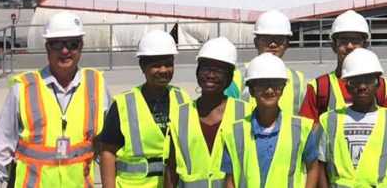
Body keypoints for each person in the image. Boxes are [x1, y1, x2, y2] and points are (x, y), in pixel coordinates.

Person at [0, 11, 110, 188]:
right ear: (47, 47)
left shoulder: (96, 85)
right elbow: (0, 150)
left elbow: (108, 147)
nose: (65, 51)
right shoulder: (24, 88)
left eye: (72, 43)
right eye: (57, 44)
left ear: (81, 46)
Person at [98, 30, 190, 188]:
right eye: (155, 65)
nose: (163, 70)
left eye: (168, 64)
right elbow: (108, 151)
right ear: (142, 66)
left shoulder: (182, 98)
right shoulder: (123, 104)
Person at [220, 53, 322, 187]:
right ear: (251, 90)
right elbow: (230, 178)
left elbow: (313, 167)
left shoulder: (301, 128)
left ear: (283, 88)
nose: (269, 90)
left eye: (275, 84)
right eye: (261, 84)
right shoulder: (235, 132)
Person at [167, 37, 253, 187]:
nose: (211, 75)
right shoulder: (180, 115)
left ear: (230, 76)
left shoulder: (245, 112)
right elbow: (171, 167)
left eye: (219, 70)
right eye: (206, 68)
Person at [317, 49, 387, 188]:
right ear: (346, 87)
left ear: (378, 84)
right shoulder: (329, 120)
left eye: (369, 80)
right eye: (355, 82)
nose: (362, 87)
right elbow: (322, 167)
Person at [299, 10, 387, 120]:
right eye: (343, 40)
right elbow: (305, 130)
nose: (350, 46)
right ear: (333, 46)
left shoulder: (382, 87)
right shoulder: (320, 87)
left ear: (365, 45)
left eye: (356, 40)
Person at [244, 10, 308, 113]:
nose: (273, 44)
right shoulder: (238, 76)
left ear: (286, 44)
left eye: (278, 39)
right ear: (256, 43)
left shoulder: (297, 78)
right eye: (266, 39)